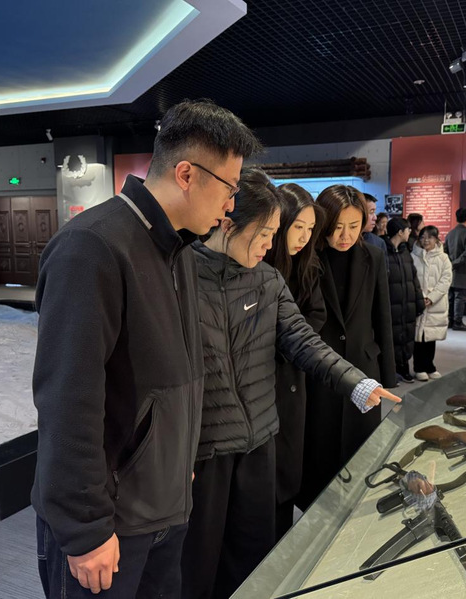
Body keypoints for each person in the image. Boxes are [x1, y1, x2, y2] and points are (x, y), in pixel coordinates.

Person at [31, 99, 262, 599]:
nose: (231, 205)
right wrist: (85, 528)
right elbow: (67, 400)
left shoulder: (177, 249)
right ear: (186, 174)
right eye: (229, 188)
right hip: (110, 523)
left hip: (164, 508)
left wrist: (179, 463)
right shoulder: (91, 247)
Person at [182, 169, 401, 599]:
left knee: (256, 560)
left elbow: (303, 340)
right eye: (265, 234)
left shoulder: (266, 279)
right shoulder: (182, 274)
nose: (271, 245)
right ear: (228, 223)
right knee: (198, 565)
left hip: (260, 440)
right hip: (207, 449)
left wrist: (356, 383)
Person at [298, 185, 396, 511]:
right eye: (337, 226)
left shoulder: (374, 257)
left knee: (360, 450)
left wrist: (388, 375)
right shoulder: (307, 257)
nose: (345, 235)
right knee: (319, 450)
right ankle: (316, 514)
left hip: (363, 368)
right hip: (319, 371)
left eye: (354, 226)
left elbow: (382, 316)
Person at [263, 182, 325, 540]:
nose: (304, 237)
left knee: (287, 470)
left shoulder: (307, 266)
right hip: (260, 379)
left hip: (292, 376)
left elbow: (316, 314)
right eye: (297, 226)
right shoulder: (257, 261)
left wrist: (288, 342)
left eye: (310, 228)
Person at [383, 217, 426, 383]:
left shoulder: (405, 252)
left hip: (407, 304)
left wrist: (419, 301)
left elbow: (414, 278)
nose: (410, 232)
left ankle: (404, 367)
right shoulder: (383, 252)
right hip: (392, 304)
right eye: (407, 230)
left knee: (407, 335)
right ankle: (391, 370)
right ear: (400, 232)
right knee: (392, 337)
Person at [412, 225, 453, 381]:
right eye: (423, 237)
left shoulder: (443, 258)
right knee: (418, 337)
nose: (426, 240)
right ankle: (419, 367)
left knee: (431, 337)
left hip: (436, 303)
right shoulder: (413, 256)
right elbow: (411, 279)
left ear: (436, 239)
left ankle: (430, 366)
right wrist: (420, 297)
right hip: (418, 301)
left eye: (429, 237)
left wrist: (432, 297)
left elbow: (446, 279)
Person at [444, 208, 466, 332]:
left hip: (451, 270)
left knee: (451, 297)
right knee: (460, 297)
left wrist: (450, 264)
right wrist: (455, 263)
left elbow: (445, 252)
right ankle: (457, 322)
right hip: (462, 270)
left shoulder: (450, 234)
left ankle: (450, 321)